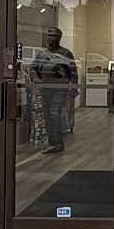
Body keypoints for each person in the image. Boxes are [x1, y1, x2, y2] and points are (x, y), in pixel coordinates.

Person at [28, 26, 78, 155]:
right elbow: (33, 68)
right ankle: (52, 142)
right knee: (48, 115)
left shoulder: (66, 53)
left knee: (54, 113)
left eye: (53, 36)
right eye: (49, 35)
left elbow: (73, 72)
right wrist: (36, 78)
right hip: (46, 88)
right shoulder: (42, 54)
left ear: (59, 38)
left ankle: (57, 143)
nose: (50, 38)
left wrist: (74, 88)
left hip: (60, 88)